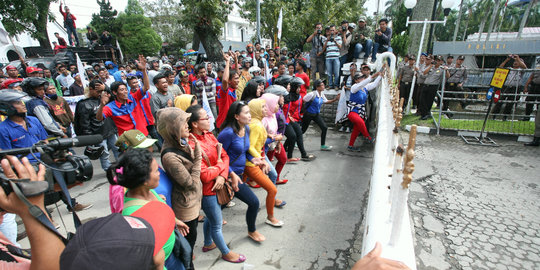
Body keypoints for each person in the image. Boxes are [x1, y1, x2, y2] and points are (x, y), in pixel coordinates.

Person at [106, 148, 189, 269]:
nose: (159, 172)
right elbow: (152, 259)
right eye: (156, 171)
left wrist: (175, 221)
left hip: (172, 252)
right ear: (144, 180)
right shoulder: (134, 214)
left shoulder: (149, 191)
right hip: (164, 263)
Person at [186, 105, 247, 263]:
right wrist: (220, 170)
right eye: (205, 118)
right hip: (208, 190)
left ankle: (207, 244)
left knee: (211, 218)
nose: (209, 119)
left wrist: (221, 175)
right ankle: (226, 252)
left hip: (218, 184)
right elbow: (205, 175)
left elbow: (225, 156)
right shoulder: (192, 145)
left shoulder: (209, 135)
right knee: (217, 224)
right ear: (194, 124)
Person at [157, 107, 201, 269]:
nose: (188, 126)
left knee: (191, 241)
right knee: (187, 248)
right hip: (186, 206)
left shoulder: (180, 142)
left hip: (193, 202)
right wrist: (198, 156)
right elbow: (190, 183)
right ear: (172, 129)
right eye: (183, 124)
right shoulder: (170, 156)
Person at [217, 101, 266, 242]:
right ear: (237, 116)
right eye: (246, 113)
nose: (250, 115)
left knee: (218, 207)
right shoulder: (227, 134)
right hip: (228, 176)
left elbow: (244, 151)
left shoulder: (247, 129)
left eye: (250, 112)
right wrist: (230, 174)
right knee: (254, 202)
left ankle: (213, 224)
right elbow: (219, 157)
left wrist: (254, 159)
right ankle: (252, 231)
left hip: (238, 174)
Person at [245, 99, 285, 226]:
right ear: (256, 110)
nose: (266, 109)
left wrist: (272, 138)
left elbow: (259, 139)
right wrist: (262, 160)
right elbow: (250, 146)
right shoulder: (256, 125)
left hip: (251, 161)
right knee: (272, 190)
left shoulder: (256, 122)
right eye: (262, 107)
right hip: (251, 164)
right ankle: (270, 217)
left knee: (233, 191)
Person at [97, 55, 150, 136]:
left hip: (142, 134)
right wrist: (102, 105)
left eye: (125, 89)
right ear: (115, 92)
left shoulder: (133, 98)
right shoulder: (110, 107)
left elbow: (146, 87)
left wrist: (143, 70)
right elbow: (99, 118)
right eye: (122, 90)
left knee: (150, 149)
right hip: (127, 140)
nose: (125, 92)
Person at [74, 80, 119, 171]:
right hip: (98, 134)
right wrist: (90, 138)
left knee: (117, 148)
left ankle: (121, 165)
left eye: (101, 91)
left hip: (110, 130)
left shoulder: (105, 98)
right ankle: (108, 169)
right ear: (90, 90)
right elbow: (84, 123)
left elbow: (116, 97)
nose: (99, 93)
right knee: (104, 152)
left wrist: (105, 88)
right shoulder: (84, 104)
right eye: (97, 91)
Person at [344, 72, 382, 151]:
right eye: (361, 78)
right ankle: (368, 137)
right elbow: (362, 84)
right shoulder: (354, 87)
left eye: (363, 77)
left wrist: (380, 76)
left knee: (356, 129)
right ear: (356, 80)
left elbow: (374, 84)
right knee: (361, 122)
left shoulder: (365, 87)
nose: (363, 79)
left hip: (360, 112)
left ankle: (350, 146)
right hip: (352, 111)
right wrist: (373, 76)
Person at [302, 79, 340, 151]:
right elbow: (303, 100)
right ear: (317, 87)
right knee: (303, 130)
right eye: (322, 85)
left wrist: (335, 99)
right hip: (308, 114)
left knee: (324, 128)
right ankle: (294, 141)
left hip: (316, 114)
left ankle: (323, 145)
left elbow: (325, 101)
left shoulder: (321, 94)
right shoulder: (311, 94)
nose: (324, 86)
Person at [261, 93, 289, 185]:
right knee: (268, 169)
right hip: (265, 147)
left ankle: (271, 182)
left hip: (274, 143)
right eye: (276, 103)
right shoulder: (263, 119)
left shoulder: (272, 114)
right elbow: (260, 141)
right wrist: (275, 139)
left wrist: (277, 143)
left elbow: (276, 130)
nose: (278, 106)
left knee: (283, 159)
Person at [492, 54, 527, 120]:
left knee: (509, 103)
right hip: (506, 87)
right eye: (514, 61)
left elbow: (524, 67)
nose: (515, 62)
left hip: (515, 88)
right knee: (500, 101)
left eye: (517, 62)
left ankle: (505, 117)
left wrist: (518, 59)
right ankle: (494, 115)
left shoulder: (520, 71)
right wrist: (507, 60)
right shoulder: (509, 69)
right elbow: (500, 68)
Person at [419, 56, 446, 120]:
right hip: (426, 84)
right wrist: (431, 66)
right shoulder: (431, 67)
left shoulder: (442, 69)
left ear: (441, 62)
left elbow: (447, 76)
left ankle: (426, 114)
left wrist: (446, 69)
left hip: (433, 86)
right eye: (436, 60)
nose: (437, 62)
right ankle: (424, 113)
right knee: (422, 100)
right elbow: (424, 72)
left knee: (429, 100)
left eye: (439, 60)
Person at [216, 54, 238, 129]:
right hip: (224, 124)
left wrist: (235, 59)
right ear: (229, 81)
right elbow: (225, 80)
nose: (238, 81)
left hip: (231, 124)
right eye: (236, 79)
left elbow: (237, 73)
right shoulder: (225, 91)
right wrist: (227, 61)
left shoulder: (233, 89)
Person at [321, 25, 342, 90]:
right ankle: (330, 85)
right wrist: (327, 40)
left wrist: (335, 40)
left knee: (336, 72)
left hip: (336, 57)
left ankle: (336, 85)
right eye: (331, 30)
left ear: (335, 31)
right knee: (329, 73)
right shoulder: (325, 38)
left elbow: (340, 46)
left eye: (333, 30)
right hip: (328, 57)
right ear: (329, 31)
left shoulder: (339, 38)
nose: (332, 31)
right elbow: (323, 48)